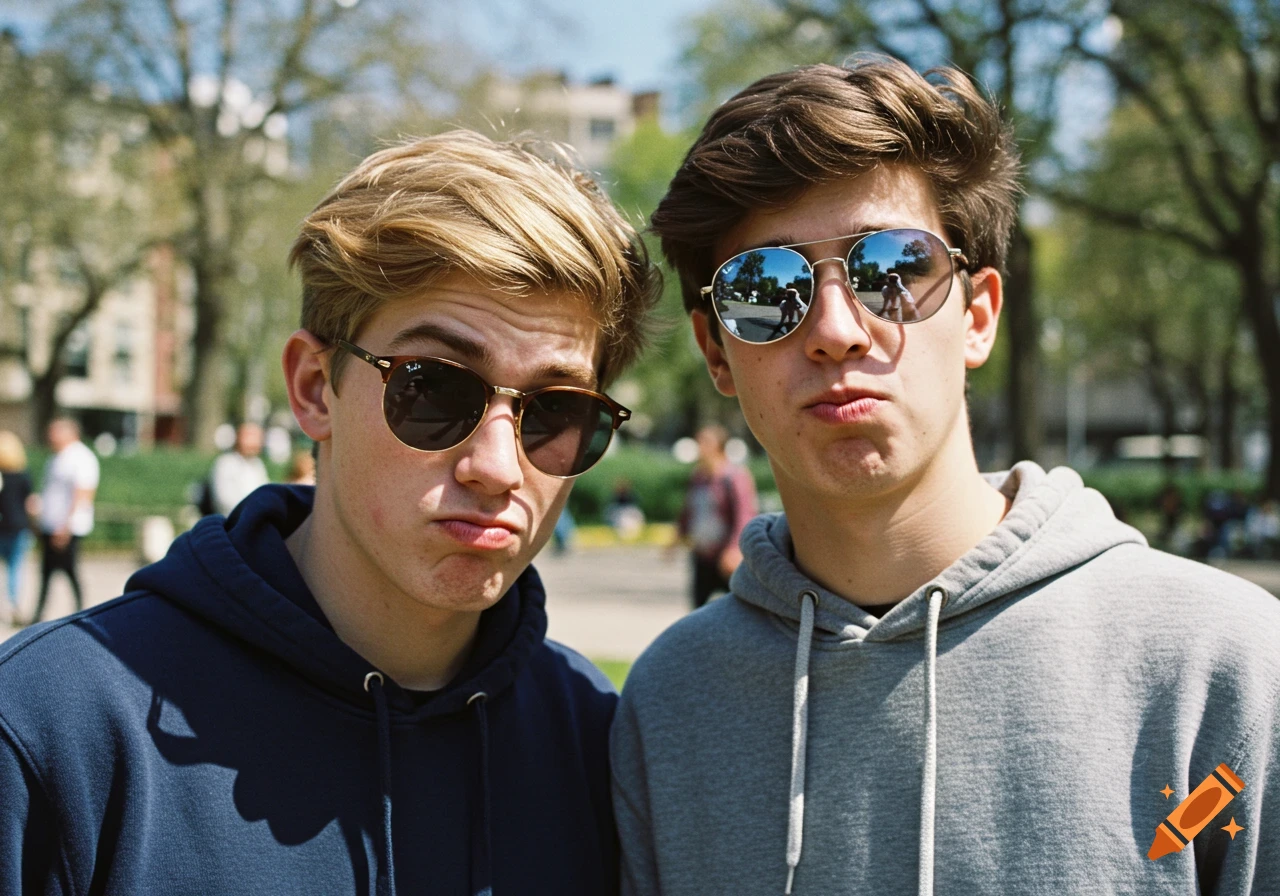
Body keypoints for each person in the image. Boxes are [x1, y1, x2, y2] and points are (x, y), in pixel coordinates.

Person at [612, 57, 1280, 894]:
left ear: (979, 316)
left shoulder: (1225, 666)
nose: (835, 329)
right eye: (764, 287)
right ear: (716, 350)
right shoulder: (669, 706)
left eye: (893, 269)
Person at [0, 130, 660, 894]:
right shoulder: (51, 729)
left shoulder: (597, 738)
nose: (497, 466)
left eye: (556, 411)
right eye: (433, 388)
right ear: (315, 389)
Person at [670, 424, 758, 609]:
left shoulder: (734, 477)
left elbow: (744, 514)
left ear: (718, 446)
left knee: (738, 610)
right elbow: (688, 511)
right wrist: (676, 539)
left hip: (725, 557)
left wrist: (735, 549)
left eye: (704, 442)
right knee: (698, 612)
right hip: (702, 555)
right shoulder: (698, 477)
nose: (699, 447)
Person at [30, 417, 99, 625]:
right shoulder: (55, 458)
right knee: (46, 572)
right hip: (51, 523)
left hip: (67, 526)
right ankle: (39, 613)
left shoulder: (81, 458)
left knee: (69, 570)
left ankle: (80, 611)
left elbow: (83, 494)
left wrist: (67, 525)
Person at [0, 431, 34, 625]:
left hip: (2, 526)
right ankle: (13, 605)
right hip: (18, 527)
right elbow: (30, 504)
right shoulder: (23, 476)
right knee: (14, 569)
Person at [209, 421, 270, 516]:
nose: (254, 442)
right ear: (238, 438)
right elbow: (224, 500)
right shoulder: (225, 463)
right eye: (249, 437)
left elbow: (266, 491)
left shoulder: (258, 464)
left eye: (258, 438)